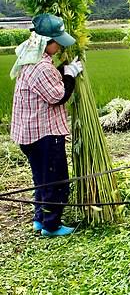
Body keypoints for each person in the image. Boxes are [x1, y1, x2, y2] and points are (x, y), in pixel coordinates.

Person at [10, 13, 82, 237]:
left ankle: (40, 219)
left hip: (28, 133)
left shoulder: (28, 58)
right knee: (54, 179)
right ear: (46, 42)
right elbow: (58, 96)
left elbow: (46, 84)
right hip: (44, 134)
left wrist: (62, 70)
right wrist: (69, 74)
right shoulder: (42, 66)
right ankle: (51, 225)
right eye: (57, 42)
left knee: (41, 178)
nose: (60, 45)